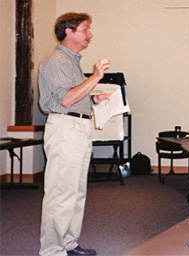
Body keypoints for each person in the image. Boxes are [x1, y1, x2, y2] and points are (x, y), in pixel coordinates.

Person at [39, 12, 111, 256]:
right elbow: (66, 100)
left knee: (76, 192)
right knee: (61, 193)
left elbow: (72, 95)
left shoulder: (71, 62)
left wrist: (93, 99)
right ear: (68, 32)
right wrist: (95, 77)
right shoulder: (56, 61)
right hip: (65, 129)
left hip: (77, 128)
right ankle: (52, 250)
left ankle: (68, 243)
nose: (90, 35)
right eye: (85, 29)